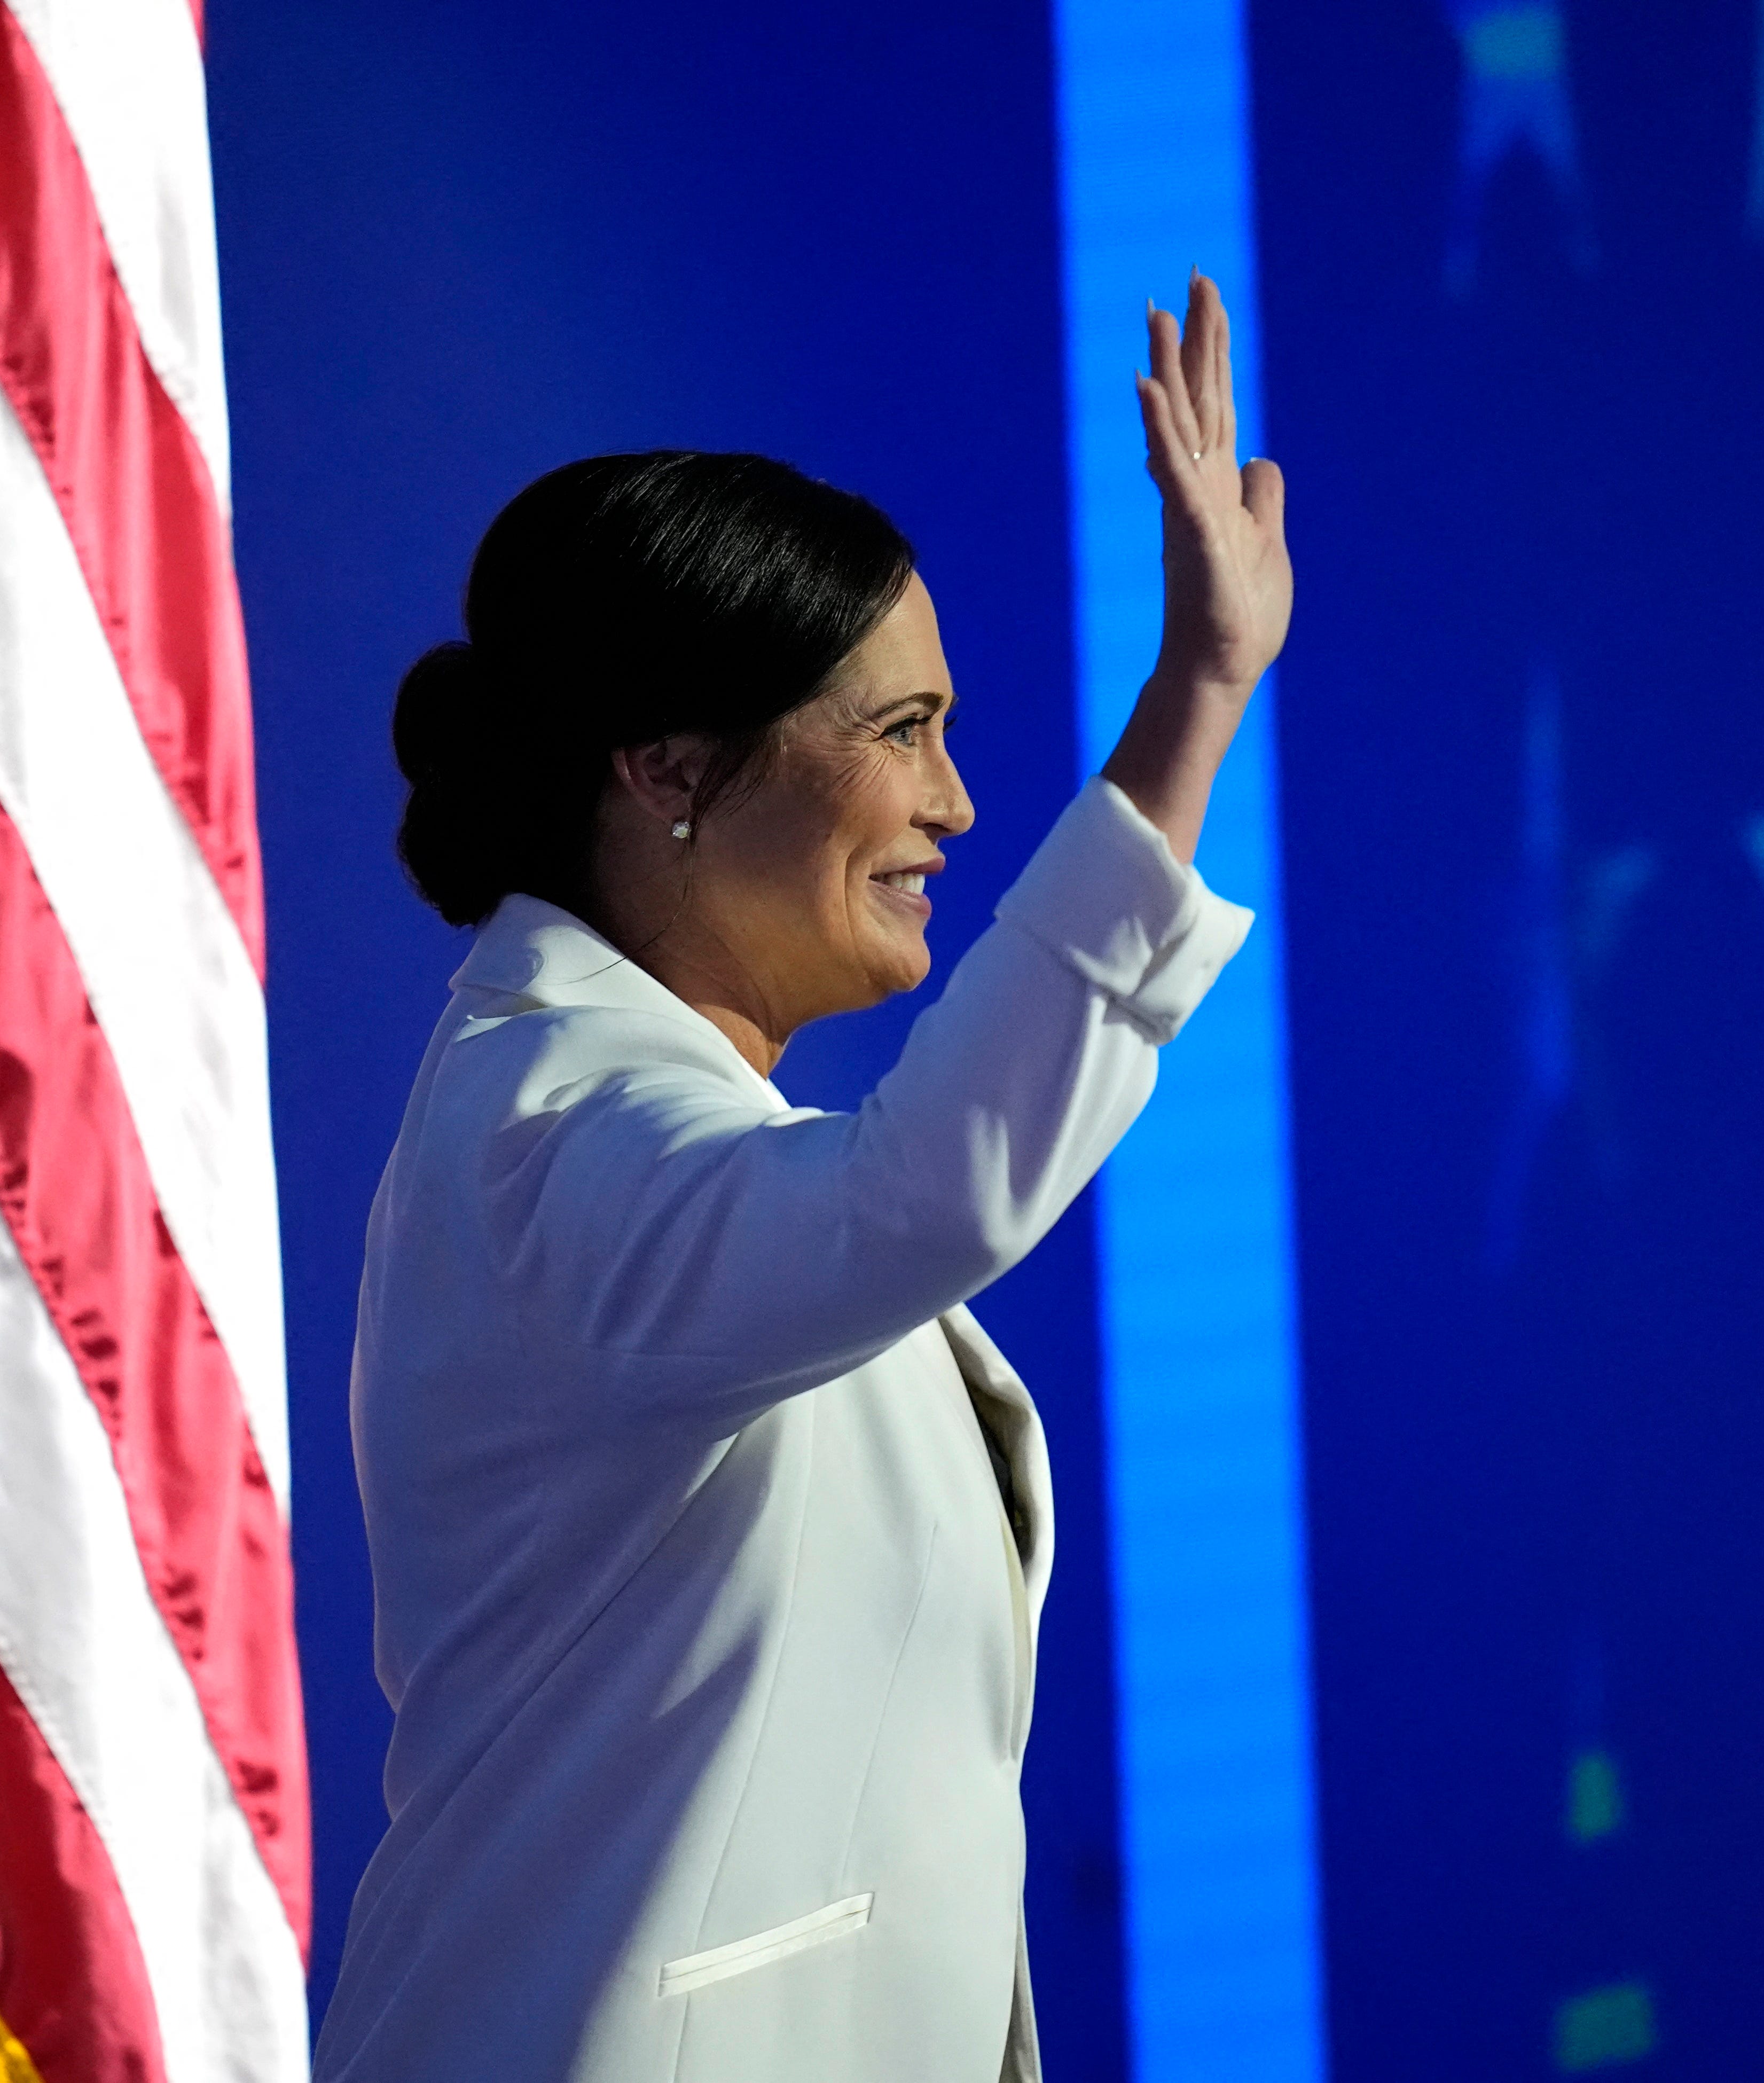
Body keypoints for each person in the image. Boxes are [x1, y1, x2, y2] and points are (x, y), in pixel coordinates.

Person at [314, 277, 1287, 2083]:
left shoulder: (645, 1120)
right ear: (668, 767)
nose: (959, 803)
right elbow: (921, 1201)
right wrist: (1191, 708)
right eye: (900, 730)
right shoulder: (551, 1134)